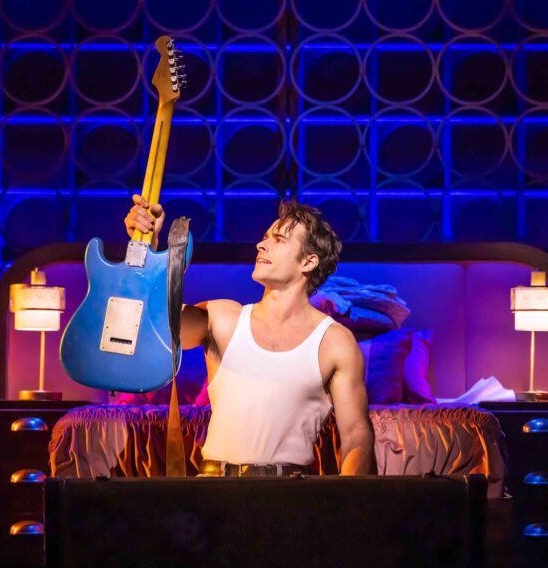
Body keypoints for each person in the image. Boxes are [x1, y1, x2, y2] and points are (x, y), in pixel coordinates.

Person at [124, 194, 376, 476]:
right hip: (214, 490)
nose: (261, 244)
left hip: (289, 496)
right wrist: (145, 248)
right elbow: (150, 327)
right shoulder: (224, 317)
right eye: (265, 237)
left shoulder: (334, 341)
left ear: (308, 261)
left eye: (278, 239)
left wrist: (352, 507)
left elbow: (356, 435)